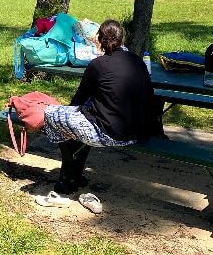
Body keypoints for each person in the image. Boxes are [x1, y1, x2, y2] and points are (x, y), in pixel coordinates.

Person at [42, 20, 163, 195]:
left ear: (99, 40)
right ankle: (74, 174)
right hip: (136, 132)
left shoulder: (97, 65)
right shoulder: (137, 61)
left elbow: (78, 101)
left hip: (110, 134)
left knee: (51, 114)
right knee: (82, 123)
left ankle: (67, 175)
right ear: (122, 38)